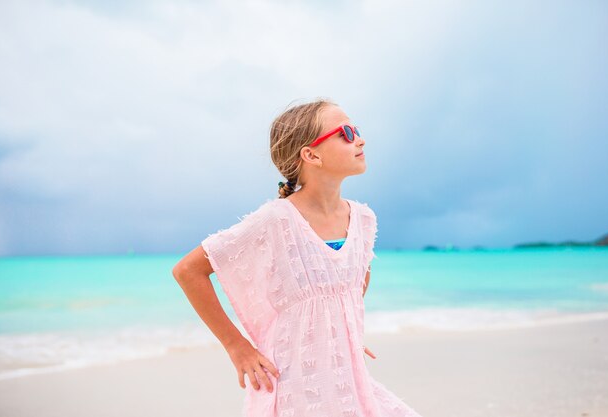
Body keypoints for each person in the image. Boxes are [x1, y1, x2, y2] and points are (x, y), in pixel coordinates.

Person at [172, 98, 423, 416]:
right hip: (294, 383)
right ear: (311, 154)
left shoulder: (363, 219)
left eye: (356, 130)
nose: (359, 138)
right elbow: (188, 271)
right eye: (345, 132)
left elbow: (355, 282)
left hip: (347, 375)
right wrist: (237, 347)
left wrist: (344, 333)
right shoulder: (276, 220)